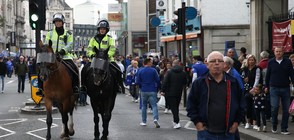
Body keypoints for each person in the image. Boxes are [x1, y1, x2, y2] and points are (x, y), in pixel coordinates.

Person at [187, 51, 245, 140]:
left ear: (224, 64)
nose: (217, 63)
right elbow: (191, 104)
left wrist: (236, 123)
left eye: (220, 61)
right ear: (207, 64)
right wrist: (197, 123)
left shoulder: (233, 82)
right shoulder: (199, 83)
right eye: (213, 61)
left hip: (228, 132)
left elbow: (241, 104)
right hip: (206, 132)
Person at [36, 13, 79, 96]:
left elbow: (70, 44)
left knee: (74, 68)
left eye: (59, 21)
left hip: (65, 56)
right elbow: (46, 44)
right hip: (51, 57)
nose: (58, 23)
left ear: (63, 23)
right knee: (41, 68)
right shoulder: (50, 33)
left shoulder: (68, 34)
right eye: (56, 22)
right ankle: (40, 88)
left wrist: (62, 51)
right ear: (54, 23)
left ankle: (75, 87)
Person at [81, 19, 124, 93]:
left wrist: (108, 55)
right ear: (99, 29)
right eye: (101, 29)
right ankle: (83, 86)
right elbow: (89, 48)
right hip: (95, 60)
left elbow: (112, 48)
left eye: (104, 29)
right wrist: (91, 54)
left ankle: (119, 85)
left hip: (107, 60)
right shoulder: (93, 39)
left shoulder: (110, 39)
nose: (102, 30)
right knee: (84, 70)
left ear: (106, 30)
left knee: (118, 70)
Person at [265, 47, 294, 135]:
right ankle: (274, 124)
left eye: (280, 51)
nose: (278, 53)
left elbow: (292, 74)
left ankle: (284, 128)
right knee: (274, 107)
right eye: (277, 51)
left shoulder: (287, 62)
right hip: (274, 87)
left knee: (286, 109)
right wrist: (266, 86)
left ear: (283, 52)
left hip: (285, 87)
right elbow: (267, 75)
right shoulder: (270, 62)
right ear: (274, 53)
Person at [161, 60, 187, 129]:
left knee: (173, 108)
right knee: (176, 106)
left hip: (170, 92)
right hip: (179, 92)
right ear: (179, 64)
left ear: (173, 64)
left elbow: (165, 82)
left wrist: (162, 90)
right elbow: (185, 82)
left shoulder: (169, 72)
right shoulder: (183, 72)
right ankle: (176, 121)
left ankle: (176, 121)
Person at [137, 57, 161, 128]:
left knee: (144, 106)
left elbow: (138, 81)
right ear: (148, 62)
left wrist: (141, 86)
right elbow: (157, 80)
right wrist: (158, 87)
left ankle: (144, 121)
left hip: (144, 90)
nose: (152, 63)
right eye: (151, 62)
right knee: (154, 105)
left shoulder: (140, 71)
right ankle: (155, 118)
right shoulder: (153, 70)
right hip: (152, 89)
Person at [240, 54, 262, 130]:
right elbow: (241, 77)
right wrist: (244, 80)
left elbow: (257, 78)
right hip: (246, 89)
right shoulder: (244, 69)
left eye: (252, 60)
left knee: (254, 106)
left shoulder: (257, 69)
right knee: (247, 106)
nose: (251, 61)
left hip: (254, 90)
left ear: (255, 61)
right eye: (250, 60)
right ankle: (248, 122)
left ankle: (255, 123)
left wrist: (253, 89)